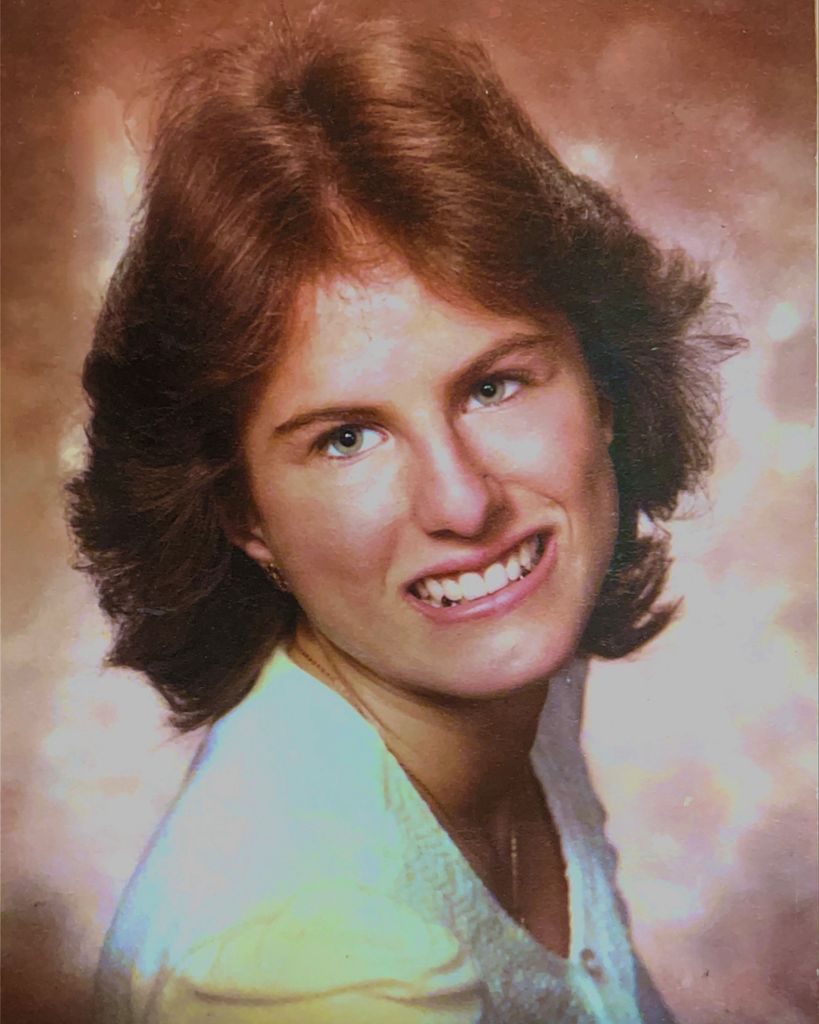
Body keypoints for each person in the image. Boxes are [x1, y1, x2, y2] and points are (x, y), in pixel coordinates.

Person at [69, 14, 740, 1023]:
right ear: (244, 514)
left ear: (603, 383)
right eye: (347, 438)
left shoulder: (506, 698)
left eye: (494, 385)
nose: (463, 502)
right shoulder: (314, 963)